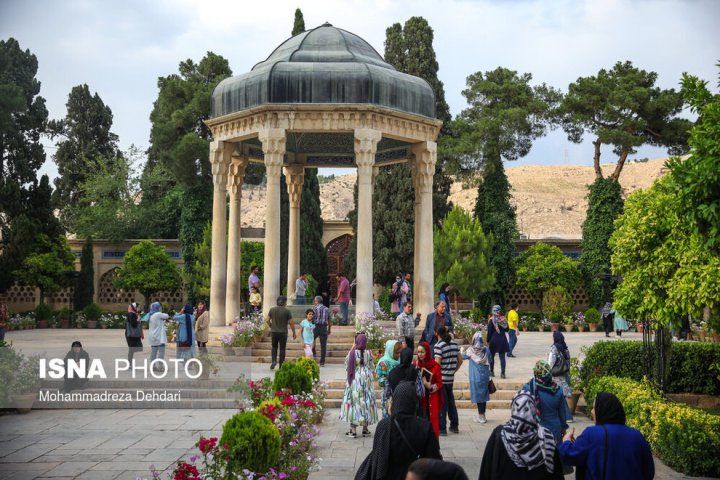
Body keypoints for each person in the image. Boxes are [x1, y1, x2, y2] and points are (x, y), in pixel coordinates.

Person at [354, 381, 442, 480]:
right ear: (414, 402)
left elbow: (377, 460)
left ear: (395, 400)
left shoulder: (384, 425)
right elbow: (435, 462)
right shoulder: (425, 427)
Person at [558, 392, 655, 480]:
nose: (592, 412)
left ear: (602, 410)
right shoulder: (637, 436)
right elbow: (649, 471)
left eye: (594, 408)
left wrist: (566, 441)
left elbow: (568, 456)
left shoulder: (592, 434)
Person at [478, 391, 564, 480]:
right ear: (534, 410)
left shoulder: (500, 434)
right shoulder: (546, 437)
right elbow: (557, 474)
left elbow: (487, 469)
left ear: (513, 409)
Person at [523, 360, 570, 447]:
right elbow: (562, 414)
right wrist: (563, 429)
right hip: (554, 431)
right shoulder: (557, 390)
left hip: (535, 431)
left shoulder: (528, 388)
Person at [340, 333, 378, 438]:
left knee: (354, 402)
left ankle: (353, 430)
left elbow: (346, 364)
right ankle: (365, 429)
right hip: (366, 379)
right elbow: (372, 367)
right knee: (366, 402)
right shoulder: (369, 353)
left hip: (355, 380)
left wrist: (353, 347)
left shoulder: (352, 353)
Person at [434, 326, 462, 436]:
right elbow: (460, 360)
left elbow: (437, 364)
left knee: (442, 404)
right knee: (451, 402)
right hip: (451, 378)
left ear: (437, 334)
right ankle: (454, 426)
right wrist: (453, 371)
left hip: (442, 378)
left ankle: (442, 428)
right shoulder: (455, 345)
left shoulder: (438, 346)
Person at [414, 341, 443, 438]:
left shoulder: (435, 366)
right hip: (420, 399)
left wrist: (430, 386)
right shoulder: (415, 365)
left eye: (422, 352)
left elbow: (439, 383)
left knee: (432, 424)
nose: (420, 354)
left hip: (431, 398)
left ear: (427, 352)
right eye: (418, 352)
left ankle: (434, 448)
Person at [461, 332, 491, 424]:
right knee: (483, 395)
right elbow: (491, 359)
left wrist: (461, 350)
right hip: (485, 376)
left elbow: (462, 356)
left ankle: (481, 416)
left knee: (479, 396)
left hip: (476, 376)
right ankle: (483, 415)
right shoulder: (486, 349)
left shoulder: (471, 350)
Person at [548, 331, 574, 423]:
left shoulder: (554, 347)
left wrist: (548, 371)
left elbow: (551, 361)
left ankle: (567, 416)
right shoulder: (565, 348)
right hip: (565, 374)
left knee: (559, 395)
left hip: (556, 375)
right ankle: (563, 416)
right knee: (561, 395)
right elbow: (568, 362)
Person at [266, 296, 296, 369]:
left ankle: (273, 361)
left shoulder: (272, 310)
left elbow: (267, 320)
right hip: (283, 333)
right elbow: (291, 323)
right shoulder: (287, 311)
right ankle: (281, 365)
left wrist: (271, 326)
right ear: (284, 302)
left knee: (274, 347)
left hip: (274, 332)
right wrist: (294, 332)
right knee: (282, 349)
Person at [376, 340, 402, 417]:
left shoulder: (400, 360)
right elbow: (381, 381)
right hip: (388, 395)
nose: (398, 355)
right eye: (396, 353)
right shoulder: (383, 363)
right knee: (388, 417)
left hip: (399, 393)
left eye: (400, 352)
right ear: (390, 351)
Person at [487, 305, 509, 378]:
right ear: (499, 310)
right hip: (502, 340)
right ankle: (503, 373)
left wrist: (488, 340)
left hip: (493, 341)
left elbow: (489, 332)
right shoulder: (503, 319)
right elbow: (507, 329)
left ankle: (492, 372)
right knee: (502, 357)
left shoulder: (491, 320)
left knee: (491, 357)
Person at [147, 302, 169, 371]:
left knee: (153, 352)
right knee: (161, 352)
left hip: (152, 337)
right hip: (159, 337)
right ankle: (160, 366)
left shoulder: (150, 315)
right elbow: (167, 316)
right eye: (159, 307)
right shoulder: (158, 314)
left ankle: (153, 366)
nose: (160, 308)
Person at [312, 295, 331, 366]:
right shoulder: (327, 309)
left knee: (311, 340)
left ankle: (314, 354)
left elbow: (311, 318)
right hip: (323, 328)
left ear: (317, 301)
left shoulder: (313, 308)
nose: (314, 301)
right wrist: (329, 329)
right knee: (323, 345)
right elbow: (329, 320)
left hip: (315, 327)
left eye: (314, 300)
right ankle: (322, 362)